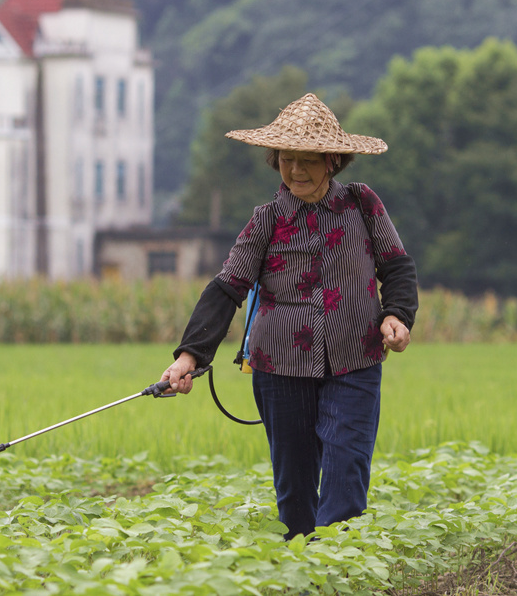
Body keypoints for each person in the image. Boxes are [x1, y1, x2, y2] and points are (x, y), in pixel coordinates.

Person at [160, 93, 418, 539]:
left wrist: (397, 314)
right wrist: (189, 356)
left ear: (333, 160)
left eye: (308, 160)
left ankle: (334, 566)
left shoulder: (362, 205)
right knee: (295, 485)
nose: (296, 170)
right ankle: (301, 569)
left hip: (355, 357)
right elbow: (227, 289)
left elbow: (396, 266)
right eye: (286, 159)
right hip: (280, 366)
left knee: (348, 464)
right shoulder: (266, 220)